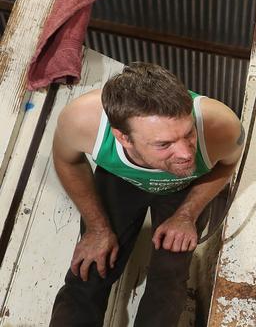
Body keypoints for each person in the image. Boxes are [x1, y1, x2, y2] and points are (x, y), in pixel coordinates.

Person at [49, 62, 244, 326]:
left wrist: (187, 215)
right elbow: (67, 161)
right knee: (91, 269)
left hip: (183, 189)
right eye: (164, 144)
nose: (187, 153)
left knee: (170, 277)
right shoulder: (83, 120)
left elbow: (228, 163)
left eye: (188, 134)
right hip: (121, 180)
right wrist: (96, 227)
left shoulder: (221, 125)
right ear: (123, 137)